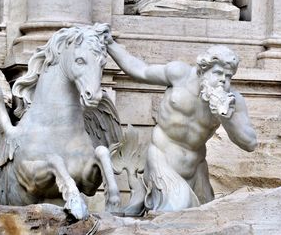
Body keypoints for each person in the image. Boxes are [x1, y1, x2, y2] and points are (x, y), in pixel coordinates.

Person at [106, 36, 257, 211]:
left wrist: (226, 118)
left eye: (228, 76)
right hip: (162, 161)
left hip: (196, 169)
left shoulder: (233, 101)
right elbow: (139, 70)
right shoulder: (179, 75)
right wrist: (109, 44)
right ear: (202, 71)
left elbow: (250, 143)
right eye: (217, 73)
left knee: (204, 220)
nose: (223, 80)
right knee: (177, 211)